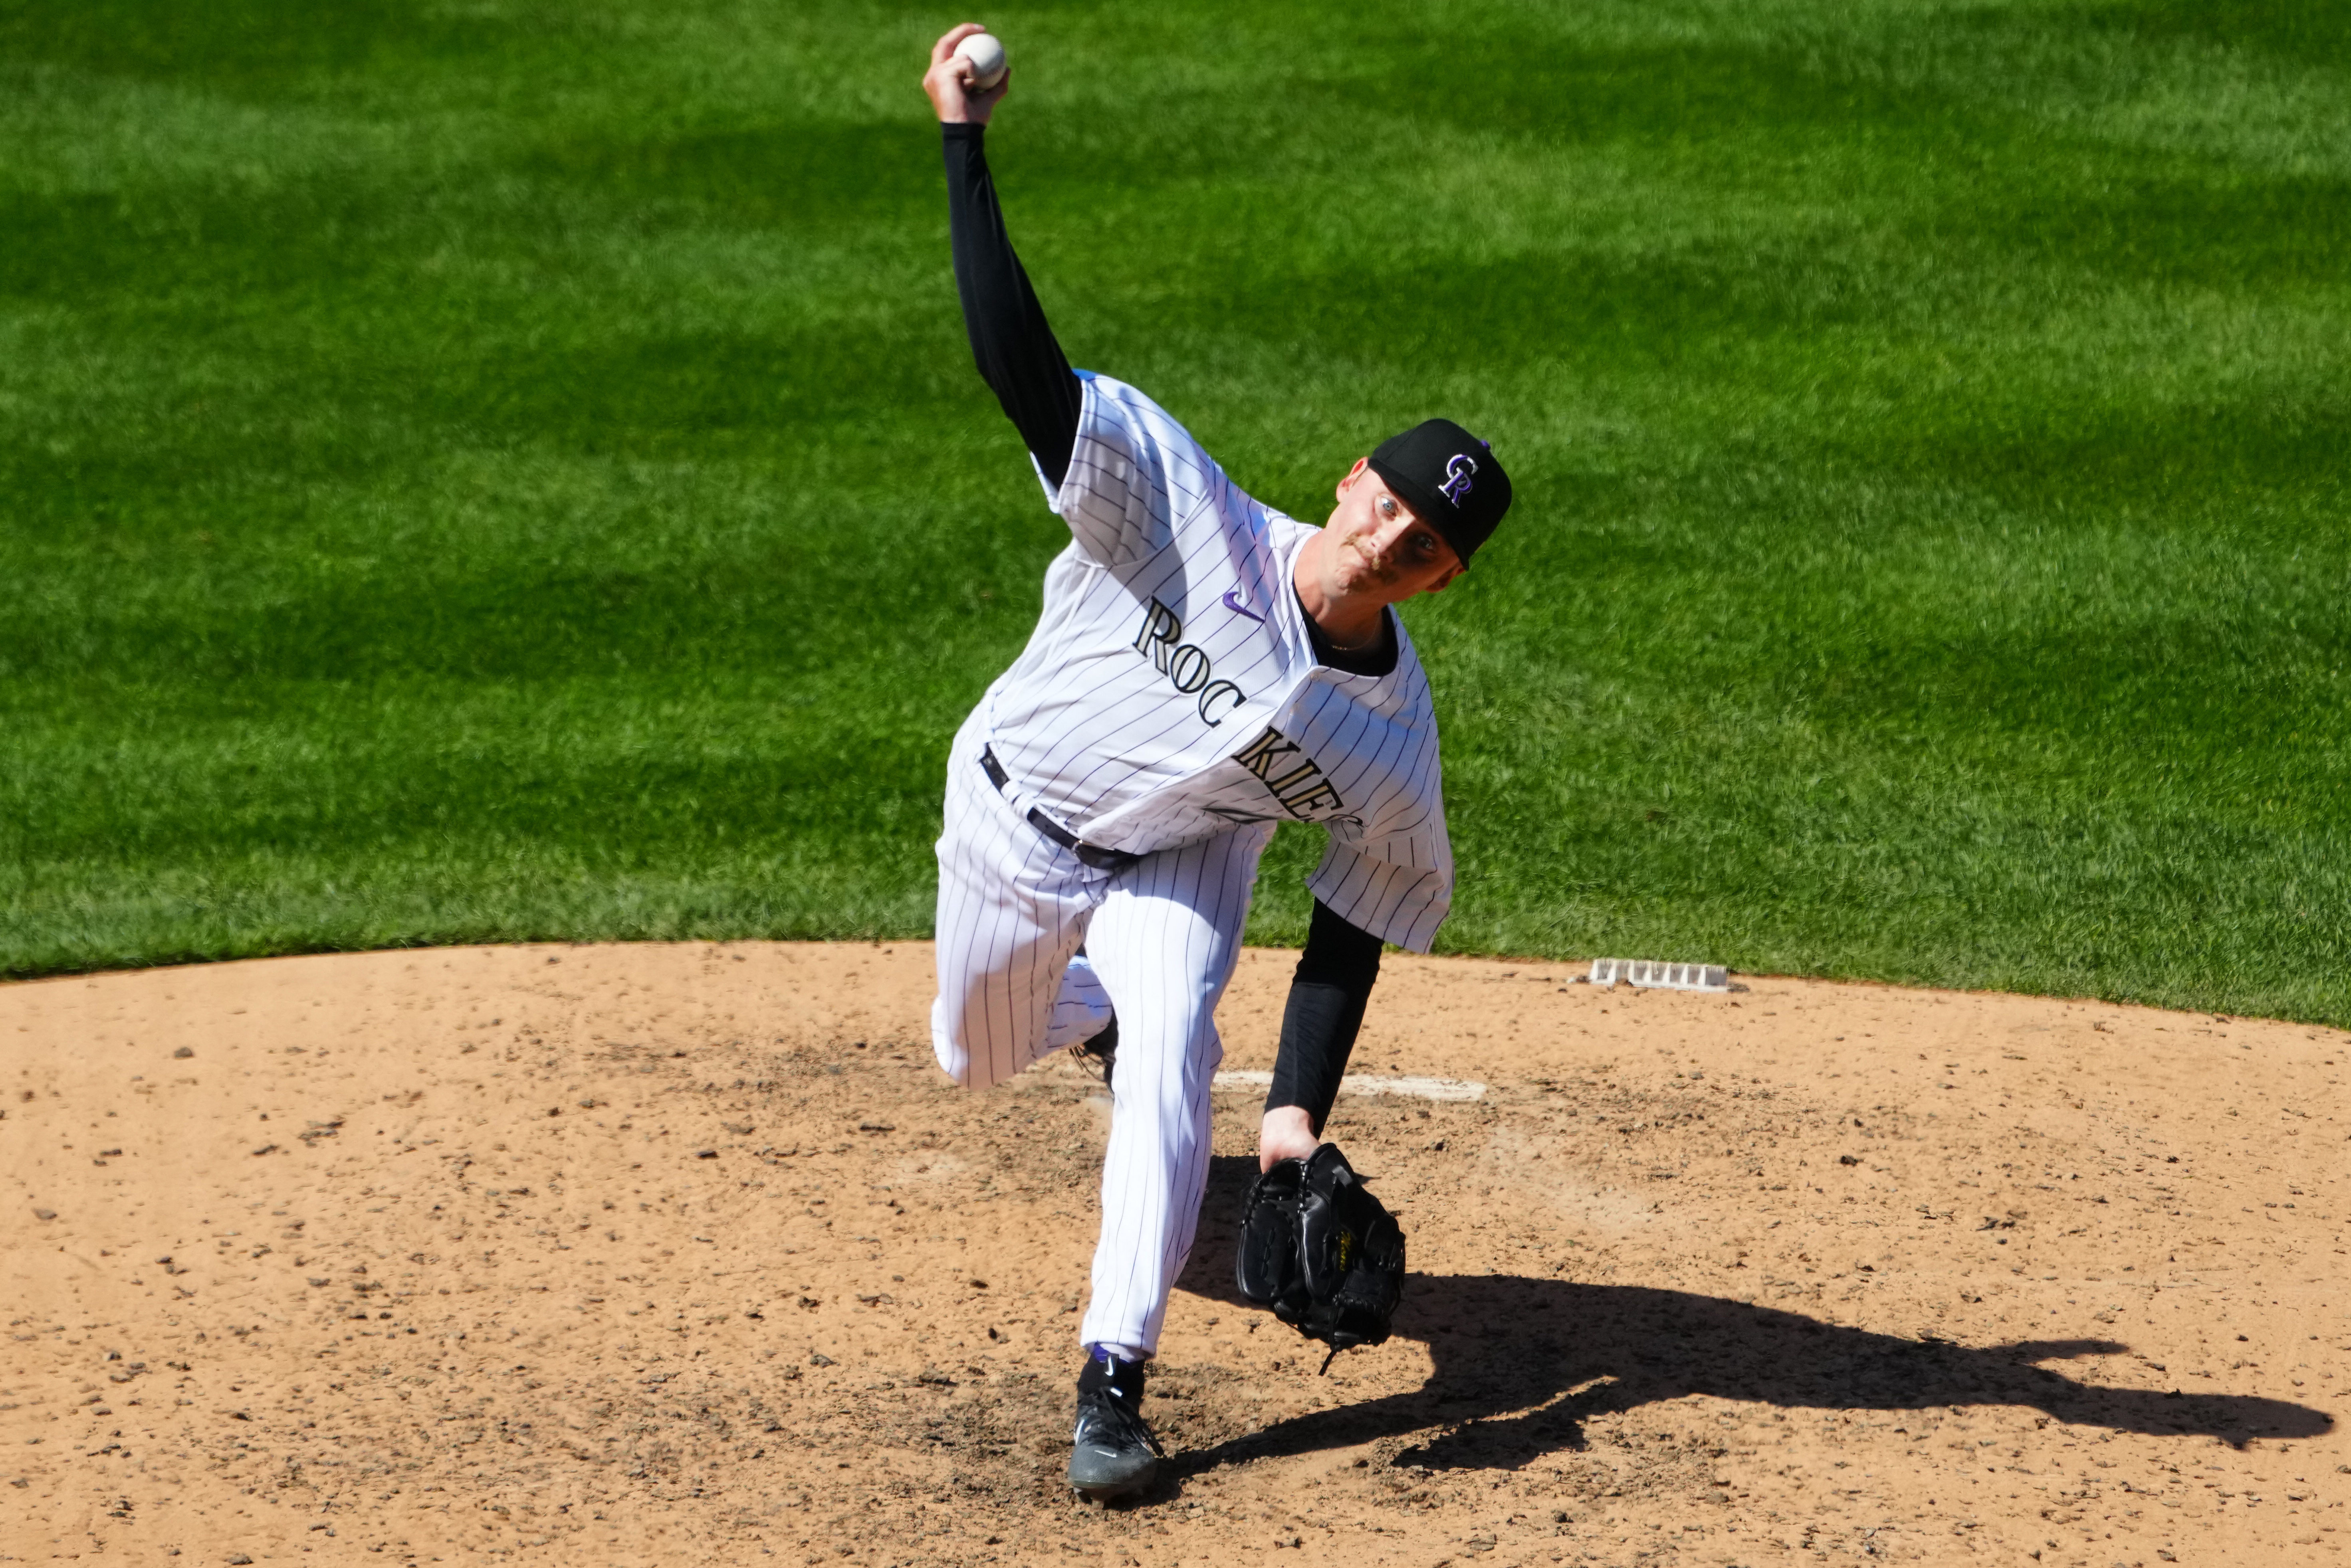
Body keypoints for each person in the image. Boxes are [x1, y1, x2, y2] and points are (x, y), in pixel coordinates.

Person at [918, 22, 1514, 1500]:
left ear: (1440, 580)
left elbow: (1358, 914)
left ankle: (1112, 1388)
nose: (1392, 538)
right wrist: (962, 149)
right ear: (1353, 479)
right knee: (973, 1050)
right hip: (1017, 815)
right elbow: (1022, 371)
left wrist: (1297, 1114)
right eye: (1389, 504)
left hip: (1186, 859)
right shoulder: (1188, 511)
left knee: (1181, 1046)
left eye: (1424, 546)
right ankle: (1093, 1016)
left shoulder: (1392, 733)